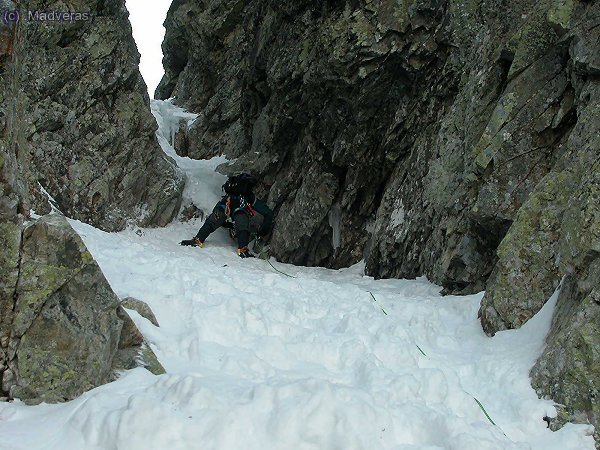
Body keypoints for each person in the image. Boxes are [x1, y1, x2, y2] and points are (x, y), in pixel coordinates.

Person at [180, 173, 273, 258]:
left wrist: (224, 223)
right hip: (240, 211)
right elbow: (267, 212)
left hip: (225, 206)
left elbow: (217, 209)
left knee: (213, 220)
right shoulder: (249, 196)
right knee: (242, 223)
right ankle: (243, 249)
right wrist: (264, 230)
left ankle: (198, 240)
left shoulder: (230, 194)